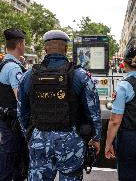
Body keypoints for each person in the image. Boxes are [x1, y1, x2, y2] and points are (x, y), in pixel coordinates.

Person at [18, 30, 102, 181]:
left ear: (45, 49)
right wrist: (96, 138)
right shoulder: (80, 75)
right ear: (65, 49)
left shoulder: (28, 76)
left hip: (39, 140)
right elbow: (93, 111)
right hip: (71, 140)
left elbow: (22, 113)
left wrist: (30, 134)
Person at [105, 38, 136, 181]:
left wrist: (108, 143)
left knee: (128, 173)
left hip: (130, 138)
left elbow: (115, 121)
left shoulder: (124, 85)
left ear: (124, 64)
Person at [0, 28, 27, 181]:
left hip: (6, 120)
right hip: (13, 123)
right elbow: (21, 98)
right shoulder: (13, 68)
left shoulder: (5, 63)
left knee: (7, 157)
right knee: (11, 160)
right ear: (19, 44)